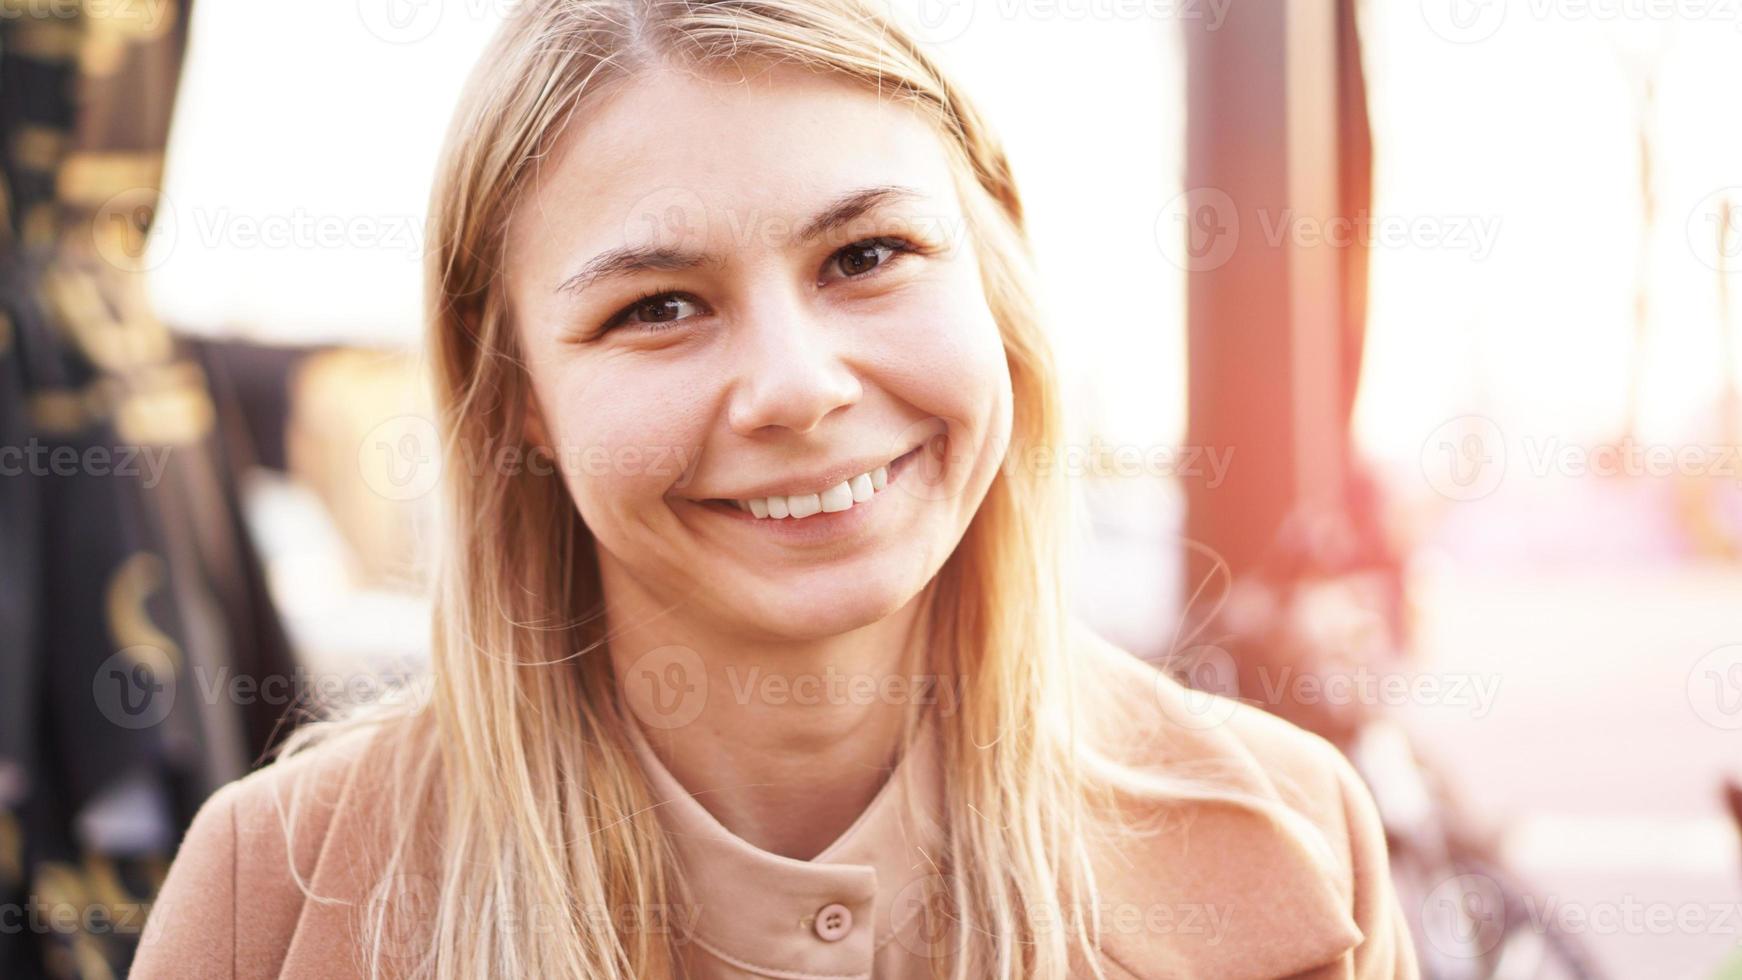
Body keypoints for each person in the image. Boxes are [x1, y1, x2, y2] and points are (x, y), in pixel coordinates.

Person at [131, 1, 1419, 977]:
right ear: (516, 388)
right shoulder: (277, 896)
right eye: (660, 306)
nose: (796, 389)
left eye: (868, 254)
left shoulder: (1289, 842)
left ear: (995, 279)